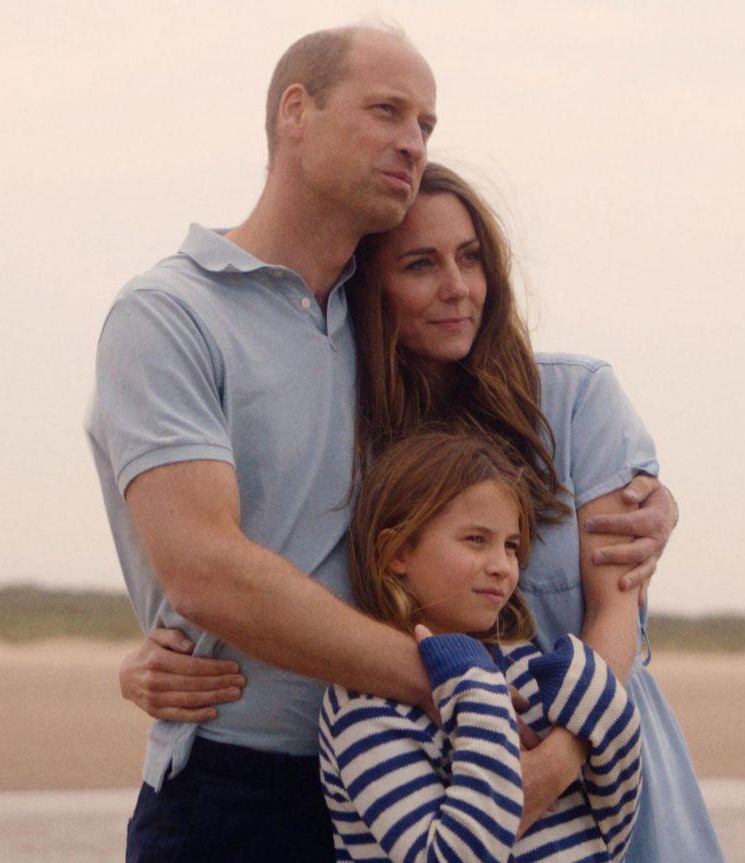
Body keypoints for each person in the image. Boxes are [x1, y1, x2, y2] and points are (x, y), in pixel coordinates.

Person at [86, 25, 674, 862]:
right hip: (241, 782)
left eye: (426, 125)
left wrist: (652, 493)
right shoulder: (171, 314)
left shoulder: (382, 343)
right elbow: (204, 571)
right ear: (297, 111)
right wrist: (450, 682)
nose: (412, 140)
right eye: (387, 111)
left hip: (394, 786)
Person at [321, 429, 642, 862]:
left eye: (510, 547)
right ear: (396, 551)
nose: (501, 567)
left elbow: (611, 831)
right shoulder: (364, 704)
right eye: (476, 540)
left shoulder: (525, 664)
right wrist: (476, 690)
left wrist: (603, 705)